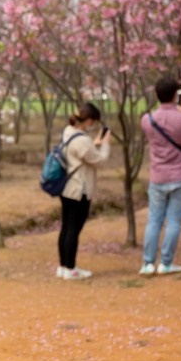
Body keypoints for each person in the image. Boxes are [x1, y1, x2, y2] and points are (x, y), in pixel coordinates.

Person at [140, 76, 181, 275]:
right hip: (180, 176)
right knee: (174, 221)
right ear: (176, 95)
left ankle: (147, 263)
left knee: (154, 220)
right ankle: (166, 263)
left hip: (157, 176)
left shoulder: (147, 119)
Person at [56, 102, 112, 280]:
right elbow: (100, 161)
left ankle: (63, 266)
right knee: (74, 229)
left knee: (66, 227)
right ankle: (71, 268)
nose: (93, 125)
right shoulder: (83, 141)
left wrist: (94, 143)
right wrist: (105, 144)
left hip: (66, 188)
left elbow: (82, 151)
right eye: (92, 121)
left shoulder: (68, 132)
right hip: (79, 189)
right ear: (88, 120)